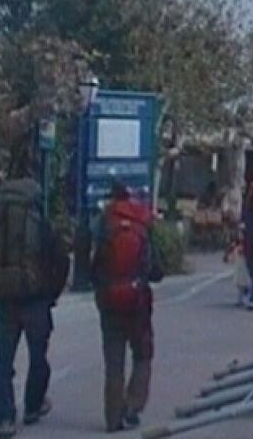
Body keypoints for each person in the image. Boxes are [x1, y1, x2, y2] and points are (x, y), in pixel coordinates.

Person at [0, 180, 69, 439]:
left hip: (4, 298)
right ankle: (32, 407)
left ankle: (4, 417)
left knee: (2, 361)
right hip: (36, 300)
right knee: (38, 357)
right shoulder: (42, 223)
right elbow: (61, 258)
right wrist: (52, 293)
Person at [91, 184, 164, 432]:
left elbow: (94, 261)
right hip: (138, 301)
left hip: (109, 299)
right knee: (142, 354)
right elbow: (156, 268)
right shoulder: (143, 221)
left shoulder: (103, 222)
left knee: (114, 360)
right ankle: (133, 407)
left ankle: (113, 417)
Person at [222, 227, 250, 306]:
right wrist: (228, 257)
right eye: (239, 233)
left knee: (245, 283)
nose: (240, 235)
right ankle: (240, 300)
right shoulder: (236, 244)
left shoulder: (247, 244)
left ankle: (245, 299)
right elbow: (231, 253)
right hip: (238, 267)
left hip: (245, 266)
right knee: (239, 284)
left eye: (241, 234)